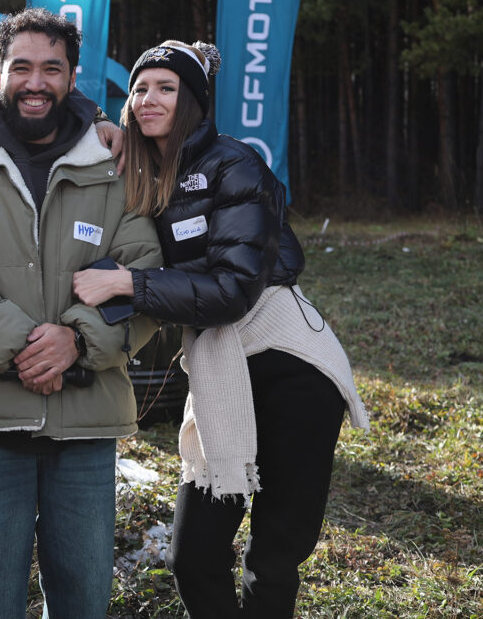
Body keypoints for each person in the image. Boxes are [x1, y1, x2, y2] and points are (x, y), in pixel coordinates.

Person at [71, 40, 370, 619]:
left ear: (193, 103)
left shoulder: (234, 165)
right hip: (218, 367)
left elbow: (233, 290)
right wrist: (100, 121)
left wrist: (126, 285)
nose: (148, 99)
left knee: (274, 556)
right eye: (139, 89)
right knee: (195, 556)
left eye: (166, 88)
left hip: (291, 364)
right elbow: (51, 101)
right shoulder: (142, 169)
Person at [0, 7, 163, 619]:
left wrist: (76, 343)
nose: (36, 81)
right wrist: (30, 348)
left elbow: (144, 272)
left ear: (73, 77)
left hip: (87, 422)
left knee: (83, 599)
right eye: (21, 67)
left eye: (52, 67)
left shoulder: (114, 168)